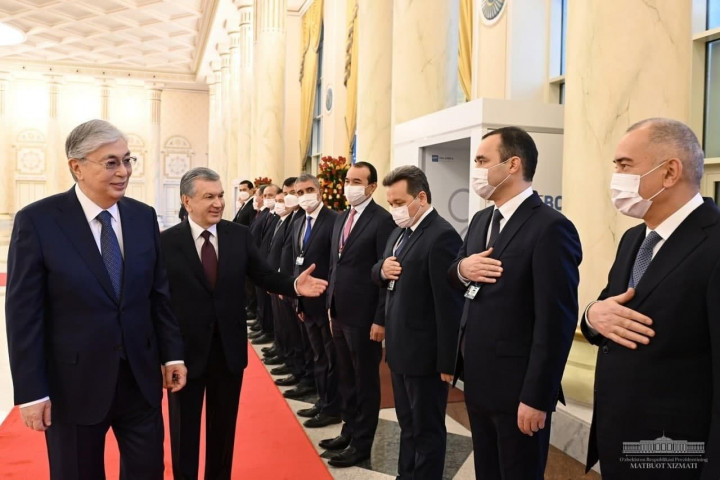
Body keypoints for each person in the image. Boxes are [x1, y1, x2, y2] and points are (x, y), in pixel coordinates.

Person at [5, 119, 187, 480]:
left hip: (140, 379)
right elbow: (24, 315)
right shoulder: (38, 221)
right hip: (73, 385)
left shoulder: (142, 217)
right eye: (111, 163)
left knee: (148, 471)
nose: (124, 171)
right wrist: (31, 392)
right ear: (77, 167)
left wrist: (171, 354)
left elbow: (158, 295)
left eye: (127, 160)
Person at [160, 167, 328, 480]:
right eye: (209, 197)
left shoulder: (238, 235)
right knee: (184, 432)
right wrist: (166, 355)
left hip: (228, 351)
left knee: (223, 431)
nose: (218, 203)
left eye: (220, 195)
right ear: (187, 201)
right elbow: (159, 303)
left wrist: (294, 285)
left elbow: (263, 275)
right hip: (185, 354)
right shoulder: (166, 243)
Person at [581, 118, 720, 480]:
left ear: (669, 172)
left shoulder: (714, 243)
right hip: (618, 440)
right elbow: (606, 310)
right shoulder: (634, 240)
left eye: (625, 165)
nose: (616, 177)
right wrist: (592, 315)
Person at [447, 127, 582, 479]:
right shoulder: (482, 219)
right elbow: (455, 274)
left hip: (518, 388)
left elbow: (556, 321)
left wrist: (537, 397)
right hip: (478, 379)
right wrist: (463, 269)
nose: (476, 169)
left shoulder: (550, 227)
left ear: (512, 165)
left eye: (482, 160)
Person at [371, 165, 463, 479]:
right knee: (407, 424)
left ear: (421, 198)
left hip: (425, 356)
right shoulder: (401, 231)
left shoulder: (441, 236)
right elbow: (380, 269)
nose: (394, 210)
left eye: (399, 202)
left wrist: (448, 360)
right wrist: (381, 270)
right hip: (399, 350)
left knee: (427, 430)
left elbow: (448, 305)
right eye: (390, 204)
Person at [322, 162, 395, 468]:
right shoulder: (342, 218)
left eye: (357, 181)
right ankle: (349, 430)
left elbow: (384, 274)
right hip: (339, 311)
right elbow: (335, 264)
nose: (349, 186)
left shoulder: (382, 220)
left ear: (371, 186)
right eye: (347, 180)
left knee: (365, 381)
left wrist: (380, 318)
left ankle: (362, 443)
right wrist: (329, 303)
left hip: (365, 316)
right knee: (346, 376)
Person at [289, 173, 343, 427]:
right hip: (307, 303)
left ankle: (333, 407)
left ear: (319, 191)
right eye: (299, 193)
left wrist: (332, 302)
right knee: (318, 355)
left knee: (332, 358)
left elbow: (335, 265)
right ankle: (322, 401)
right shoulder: (299, 221)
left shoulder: (334, 220)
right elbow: (297, 263)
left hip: (326, 303)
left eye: (309, 190)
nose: (304, 196)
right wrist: (297, 300)